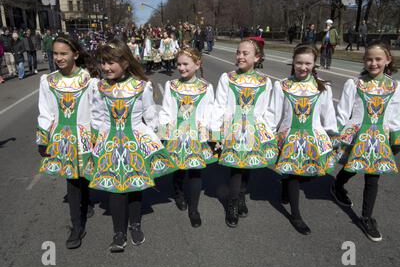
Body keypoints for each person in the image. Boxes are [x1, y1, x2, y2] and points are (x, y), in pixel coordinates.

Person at [85, 40, 177, 253]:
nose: (106, 68)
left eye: (111, 63)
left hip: (135, 142)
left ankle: (135, 224)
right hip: (108, 143)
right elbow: (97, 116)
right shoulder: (98, 86)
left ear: (125, 62)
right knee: (116, 190)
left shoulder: (141, 86)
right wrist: (96, 140)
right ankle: (119, 233)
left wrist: (152, 140)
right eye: (103, 63)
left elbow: (150, 115)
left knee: (135, 186)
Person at [332, 40, 400, 242]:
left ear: (388, 60)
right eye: (369, 59)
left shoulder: (395, 87)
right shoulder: (354, 84)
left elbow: (395, 115)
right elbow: (343, 112)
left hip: (379, 137)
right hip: (357, 133)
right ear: (364, 60)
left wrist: (395, 139)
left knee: (373, 177)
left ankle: (366, 217)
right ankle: (337, 186)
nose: (373, 63)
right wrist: (337, 135)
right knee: (352, 167)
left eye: (378, 59)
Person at [36, 34, 98, 249]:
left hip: (84, 135)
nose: (59, 58)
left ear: (76, 55)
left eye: (64, 53)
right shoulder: (48, 81)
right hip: (61, 138)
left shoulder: (90, 81)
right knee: (71, 181)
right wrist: (42, 138)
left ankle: (86, 199)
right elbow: (45, 111)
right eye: (55, 53)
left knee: (82, 174)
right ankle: (77, 225)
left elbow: (96, 112)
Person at [268, 44, 338, 235]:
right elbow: (274, 112)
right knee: (294, 174)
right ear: (293, 62)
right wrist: (269, 133)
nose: (303, 67)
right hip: (289, 135)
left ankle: (285, 185)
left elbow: (327, 114)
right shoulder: (282, 85)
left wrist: (333, 134)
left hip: (313, 137)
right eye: (299, 63)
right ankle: (296, 215)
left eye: (308, 63)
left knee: (307, 174)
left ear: (314, 64)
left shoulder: (322, 86)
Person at [210, 39, 278, 228]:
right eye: (238, 52)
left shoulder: (265, 81)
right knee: (236, 167)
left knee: (248, 165)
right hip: (233, 127)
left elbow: (266, 109)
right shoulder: (228, 77)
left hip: (253, 128)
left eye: (245, 53)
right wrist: (216, 130)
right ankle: (232, 203)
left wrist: (267, 130)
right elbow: (220, 105)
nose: (240, 56)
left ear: (257, 57)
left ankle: (241, 196)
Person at [159, 48, 216, 227]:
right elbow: (166, 109)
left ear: (197, 65)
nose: (181, 68)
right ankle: (178, 192)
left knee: (195, 170)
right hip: (176, 132)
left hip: (196, 134)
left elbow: (209, 110)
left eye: (185, 64)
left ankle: (194, 208)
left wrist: (207, 133)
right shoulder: (171, 85)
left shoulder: (206, 87)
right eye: (179, 64)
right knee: (178, 167)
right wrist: (164, 133)